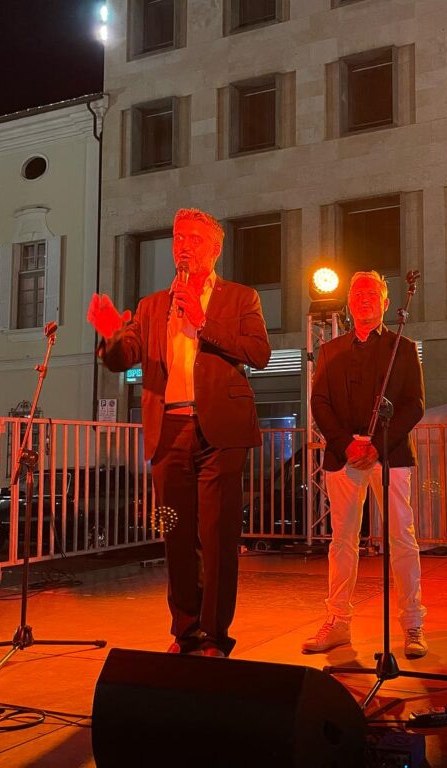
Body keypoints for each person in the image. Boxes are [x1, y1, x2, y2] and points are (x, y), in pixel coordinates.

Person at [87, 208, 271, 657]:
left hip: (221, 432)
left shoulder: (240, 297)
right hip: (169, 429)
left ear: (215, 248)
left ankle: (215, 636)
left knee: (217, 537)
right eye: (178, 238)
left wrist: (204, 321)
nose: (183, 246)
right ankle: (186, 632)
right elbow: (124, 356)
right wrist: (111, 334)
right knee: (176, 535)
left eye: (193, 238)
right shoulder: (152, 306)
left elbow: (259, 353)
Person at [303, 271, 429, 658]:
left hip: (389, 455)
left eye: (372, 292)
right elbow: (319, 402)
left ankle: (412, 623)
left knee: (401, 537)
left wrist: (377, 446)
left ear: (386, 303)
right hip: (344, 456)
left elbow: (414, 404)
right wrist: (345, 444)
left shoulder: (402, 347)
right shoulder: (330, 350)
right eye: (357, 292)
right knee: (342, 541)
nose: (364, 298)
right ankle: (338, 620)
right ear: (348, 302)